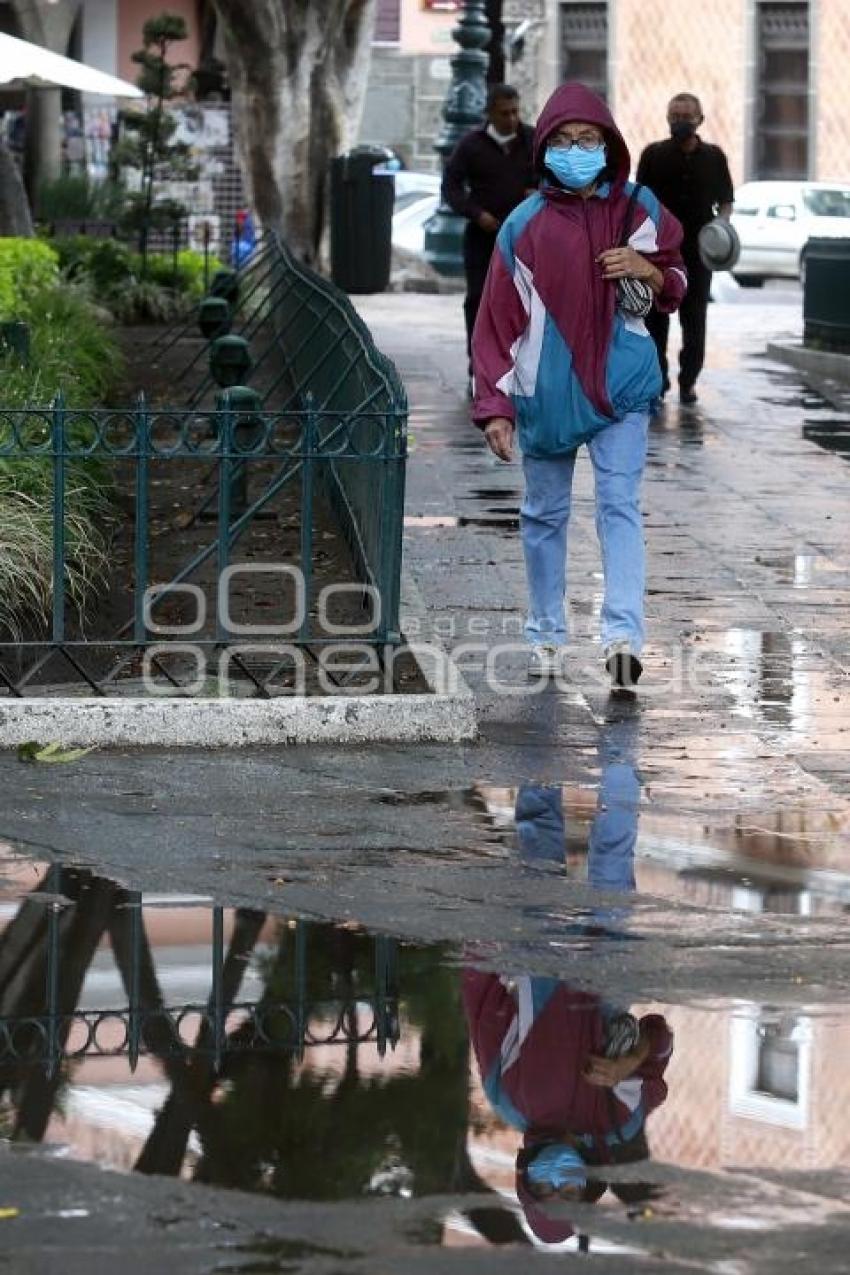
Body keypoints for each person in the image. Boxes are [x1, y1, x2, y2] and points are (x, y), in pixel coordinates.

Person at [471, 82, 686, 689]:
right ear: (543, 151)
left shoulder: (639, 207)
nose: (576, 150)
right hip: (547, 393)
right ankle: (544, 632)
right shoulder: (524, 226)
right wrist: (495, 406)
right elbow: (496, 322)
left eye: (587, 139)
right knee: (544, 513)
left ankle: (623, 636)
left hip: (624, 387)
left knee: (619, 505)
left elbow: (677, 279)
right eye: (562, 141)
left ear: (608, 144)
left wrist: (648, 269)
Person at [637, 93, 734, 405]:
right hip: (659, 251)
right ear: (667, 119)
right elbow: (639, 200)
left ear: (700, 120)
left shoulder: (715, 157)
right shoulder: (652, 155)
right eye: (675, 116)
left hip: (698, 253)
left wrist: (720, 230)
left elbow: (726, 202)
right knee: (654, 320)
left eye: (687, 116)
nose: (680, 122)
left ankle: (689, 380)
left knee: (695, 320)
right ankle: (659, 381)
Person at [442, 83, 536, 380]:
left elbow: (552, 175)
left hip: (525, 238)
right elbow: (451, 187)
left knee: (525, 299)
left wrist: (537, 192)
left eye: (515, 112)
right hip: (484, 237)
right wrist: (476, 213)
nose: (511, 119)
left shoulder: (532, 139)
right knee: (479, 298)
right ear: (490, 113)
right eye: (504, 113)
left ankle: (520, 361)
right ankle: (479, 363)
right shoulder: (471, 145)